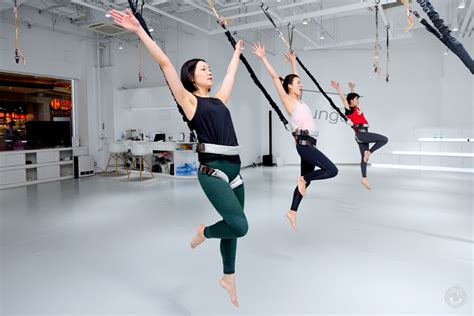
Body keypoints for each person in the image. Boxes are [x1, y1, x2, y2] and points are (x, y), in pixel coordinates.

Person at [109, 9, 248, 307]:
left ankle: (229, 277)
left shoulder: (219, 100)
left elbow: (231, 76)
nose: (209, 71)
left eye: (210, 68)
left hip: (235, 168)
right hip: (212, 170)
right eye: (202, 69)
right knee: (240, 225)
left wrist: (236, 52)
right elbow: (164, 63)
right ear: (190, 77)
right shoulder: (189, 101)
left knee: (234, 229)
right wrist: (138, 31)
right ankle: (205, 232)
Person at [252, 43, 338, 232]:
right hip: (305, 145)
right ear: (290, 86)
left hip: (310, 144)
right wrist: (263, 58)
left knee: (305, 181)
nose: (301, 84)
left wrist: (293, 63)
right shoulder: (288, 101)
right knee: (332, 170)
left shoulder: (299, 100)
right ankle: (303, 179)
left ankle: (292, 211)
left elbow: (294, 78)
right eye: (298, 83)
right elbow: (275, 77)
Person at [331, 81, 388, 190]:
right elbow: (344, 99)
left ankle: (364, 178)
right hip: (361, 134)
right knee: (384, 139)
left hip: (363, 134)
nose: (358, 100)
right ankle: (369, 152)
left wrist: (352, 89)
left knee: (364, 159)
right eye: (356, 99)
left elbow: (352, 98)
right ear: (351, 101)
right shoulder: (349, 111)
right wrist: (338, 89)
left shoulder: (357, 108)